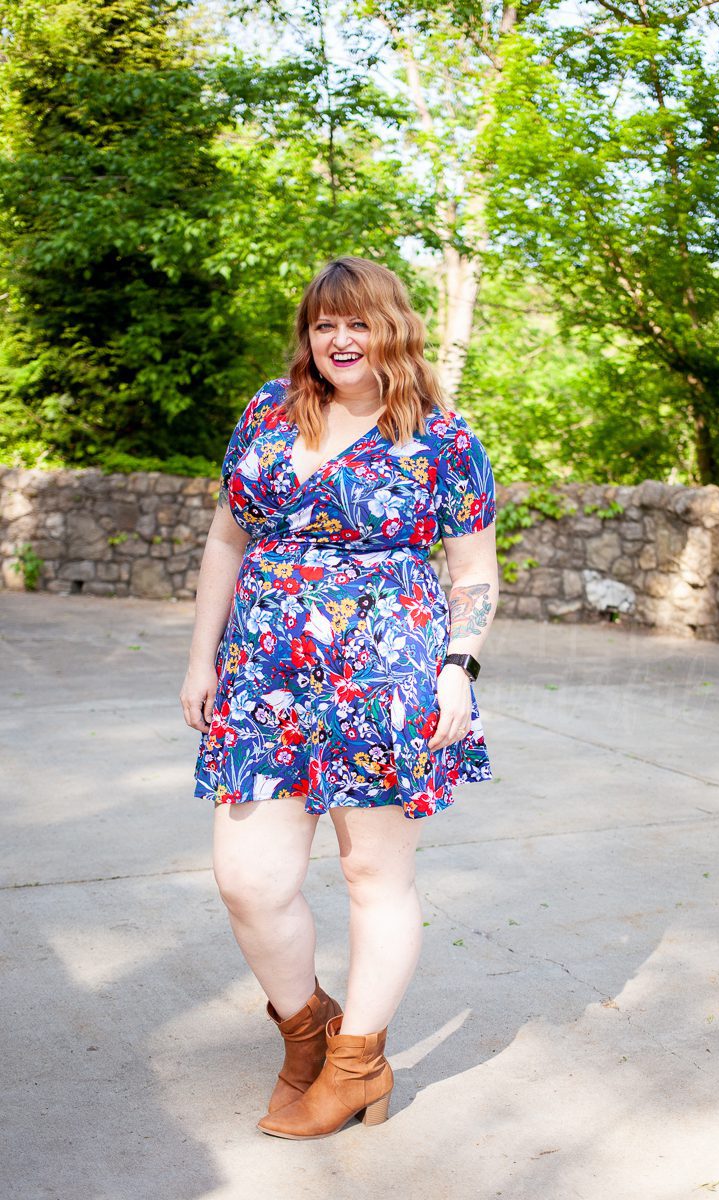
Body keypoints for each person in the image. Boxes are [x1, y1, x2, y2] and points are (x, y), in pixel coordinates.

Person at [179, 255, 498, 1140]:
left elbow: (473, 572)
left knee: (373, 875)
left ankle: (357, 1064)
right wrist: (202, 661)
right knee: (249, 881)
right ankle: (306, 1030)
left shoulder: (444, 439)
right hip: (264, 678)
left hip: (385, 680)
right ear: (308, 336)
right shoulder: (267, 413)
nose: (340, 339)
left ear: (395, 329)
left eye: (359, 322)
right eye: (325, 324)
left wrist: (458, 667)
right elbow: (226, 540)